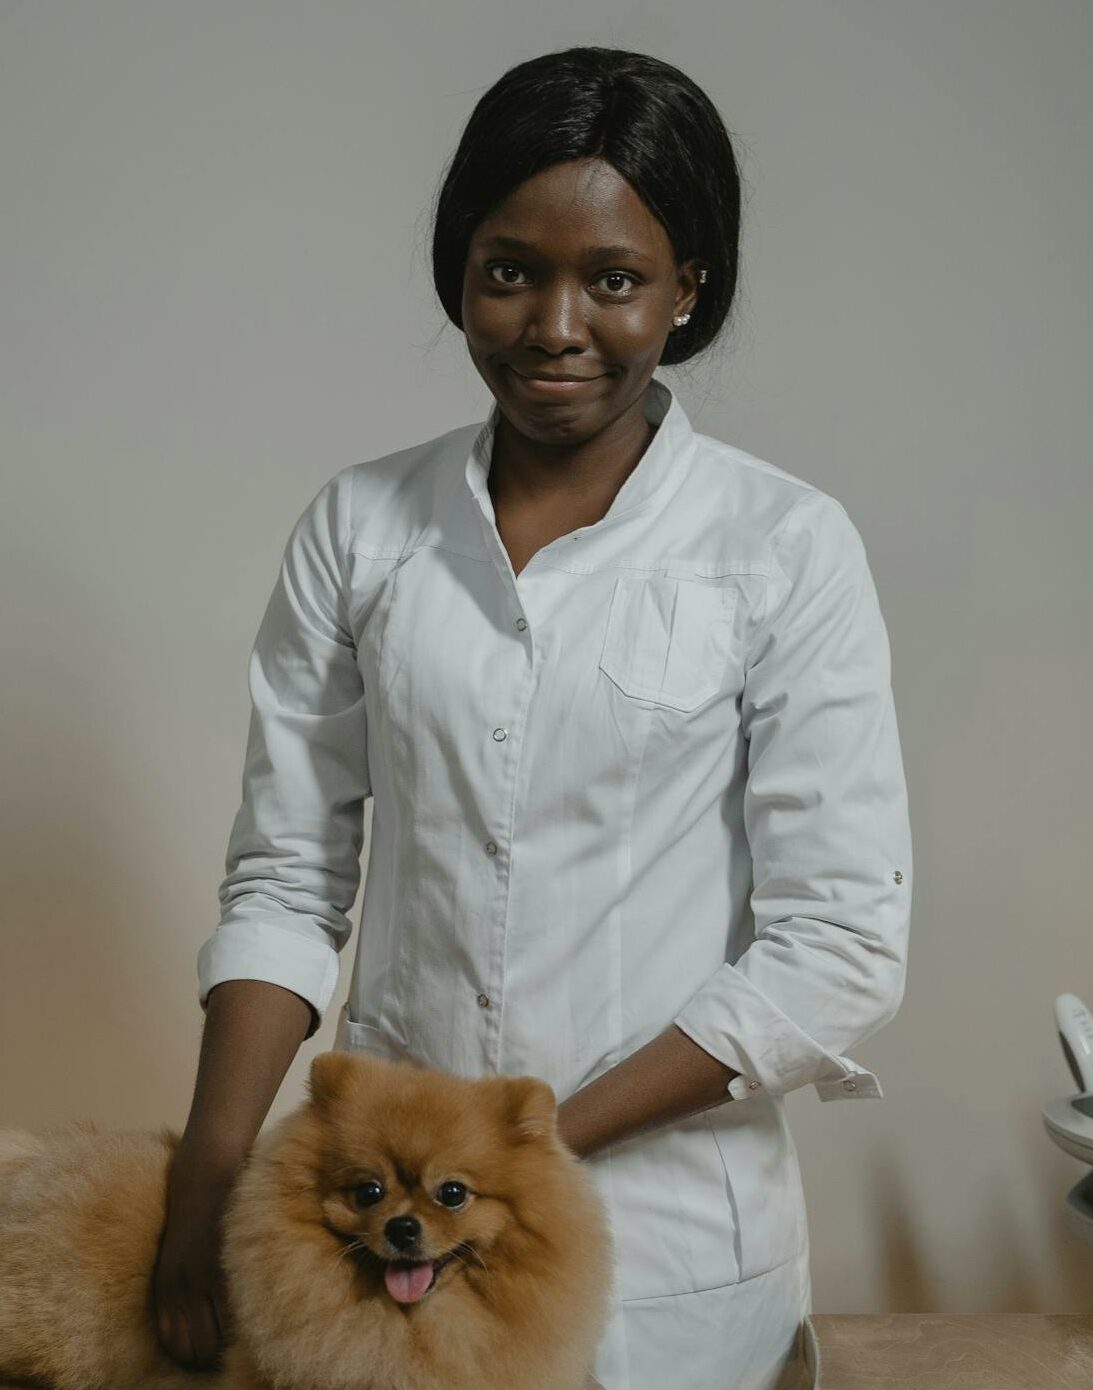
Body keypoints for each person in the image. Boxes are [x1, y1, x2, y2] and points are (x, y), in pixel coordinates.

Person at [152, 45, 911, 1390]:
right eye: (510, 270)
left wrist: (524, 1138)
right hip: (377, 1253)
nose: (555, 323)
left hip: (664, 1256)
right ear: (461, 273)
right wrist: (209, 1175)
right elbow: (286, 873)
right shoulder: (360, 526)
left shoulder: (783, 545)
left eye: (613, 279)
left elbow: (837, 944)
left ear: (690, 290)